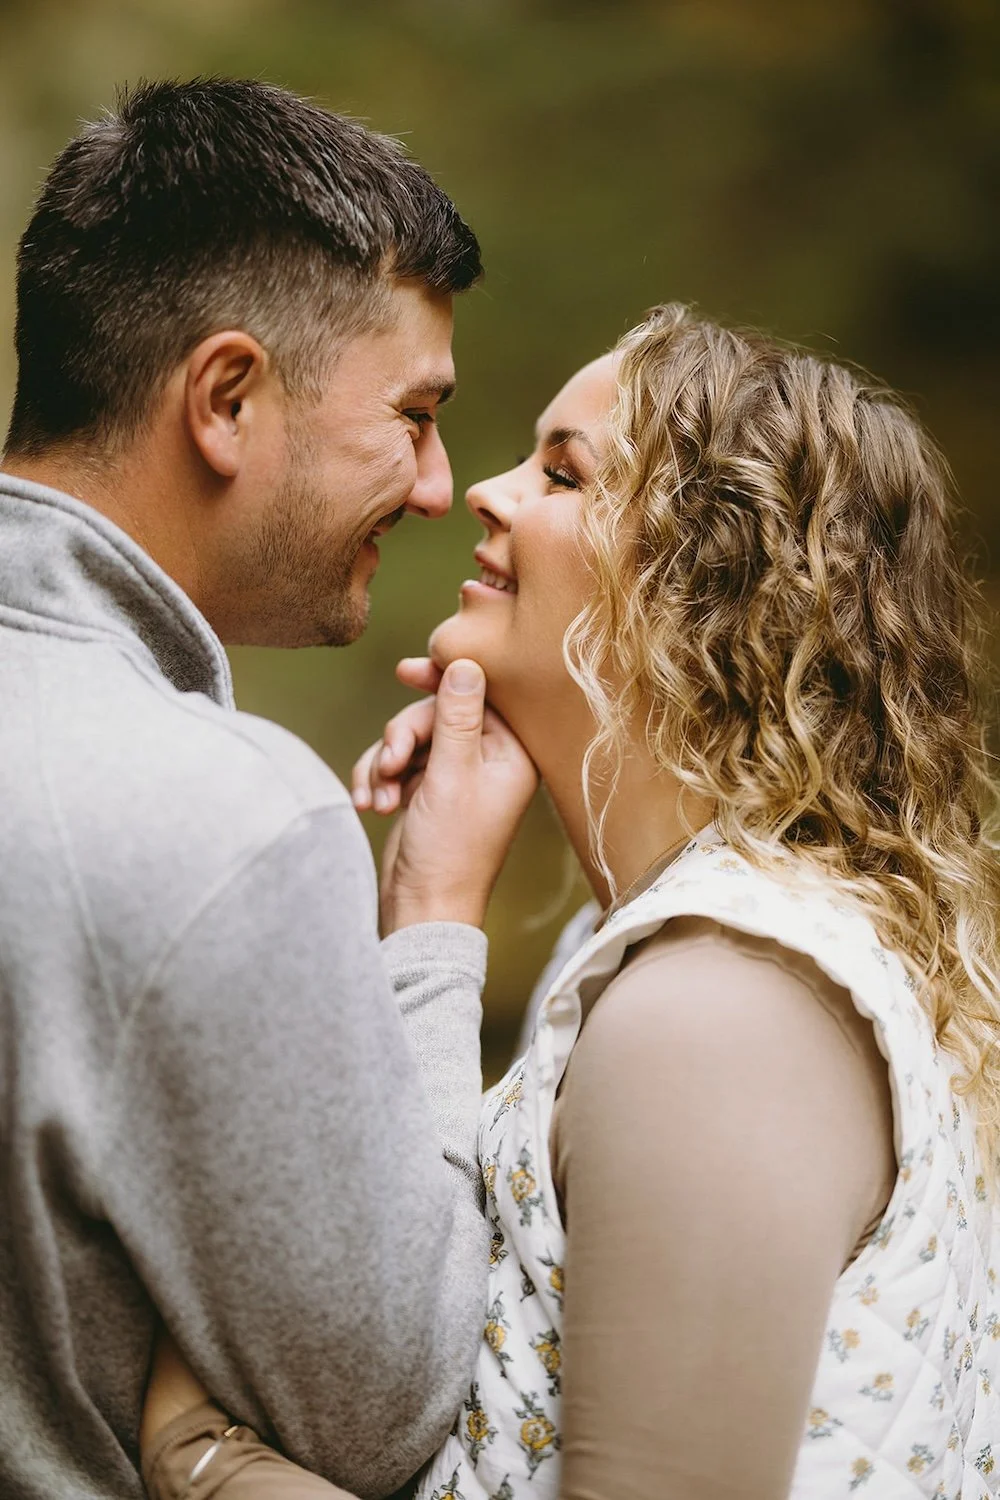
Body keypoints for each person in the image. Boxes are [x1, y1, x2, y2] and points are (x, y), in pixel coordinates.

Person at [148, 304, 1000, 1499]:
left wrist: (203, 1462)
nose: (483, 494)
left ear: (705, 579)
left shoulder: (723, 1011)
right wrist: (436, 903)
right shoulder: (643, 955)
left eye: (561, 472)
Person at [0, 78, 538, 1500]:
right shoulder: (220, 818)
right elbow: (392, 1405)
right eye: (416, 416)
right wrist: (429, 926)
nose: (438, 488)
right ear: (227, 398)